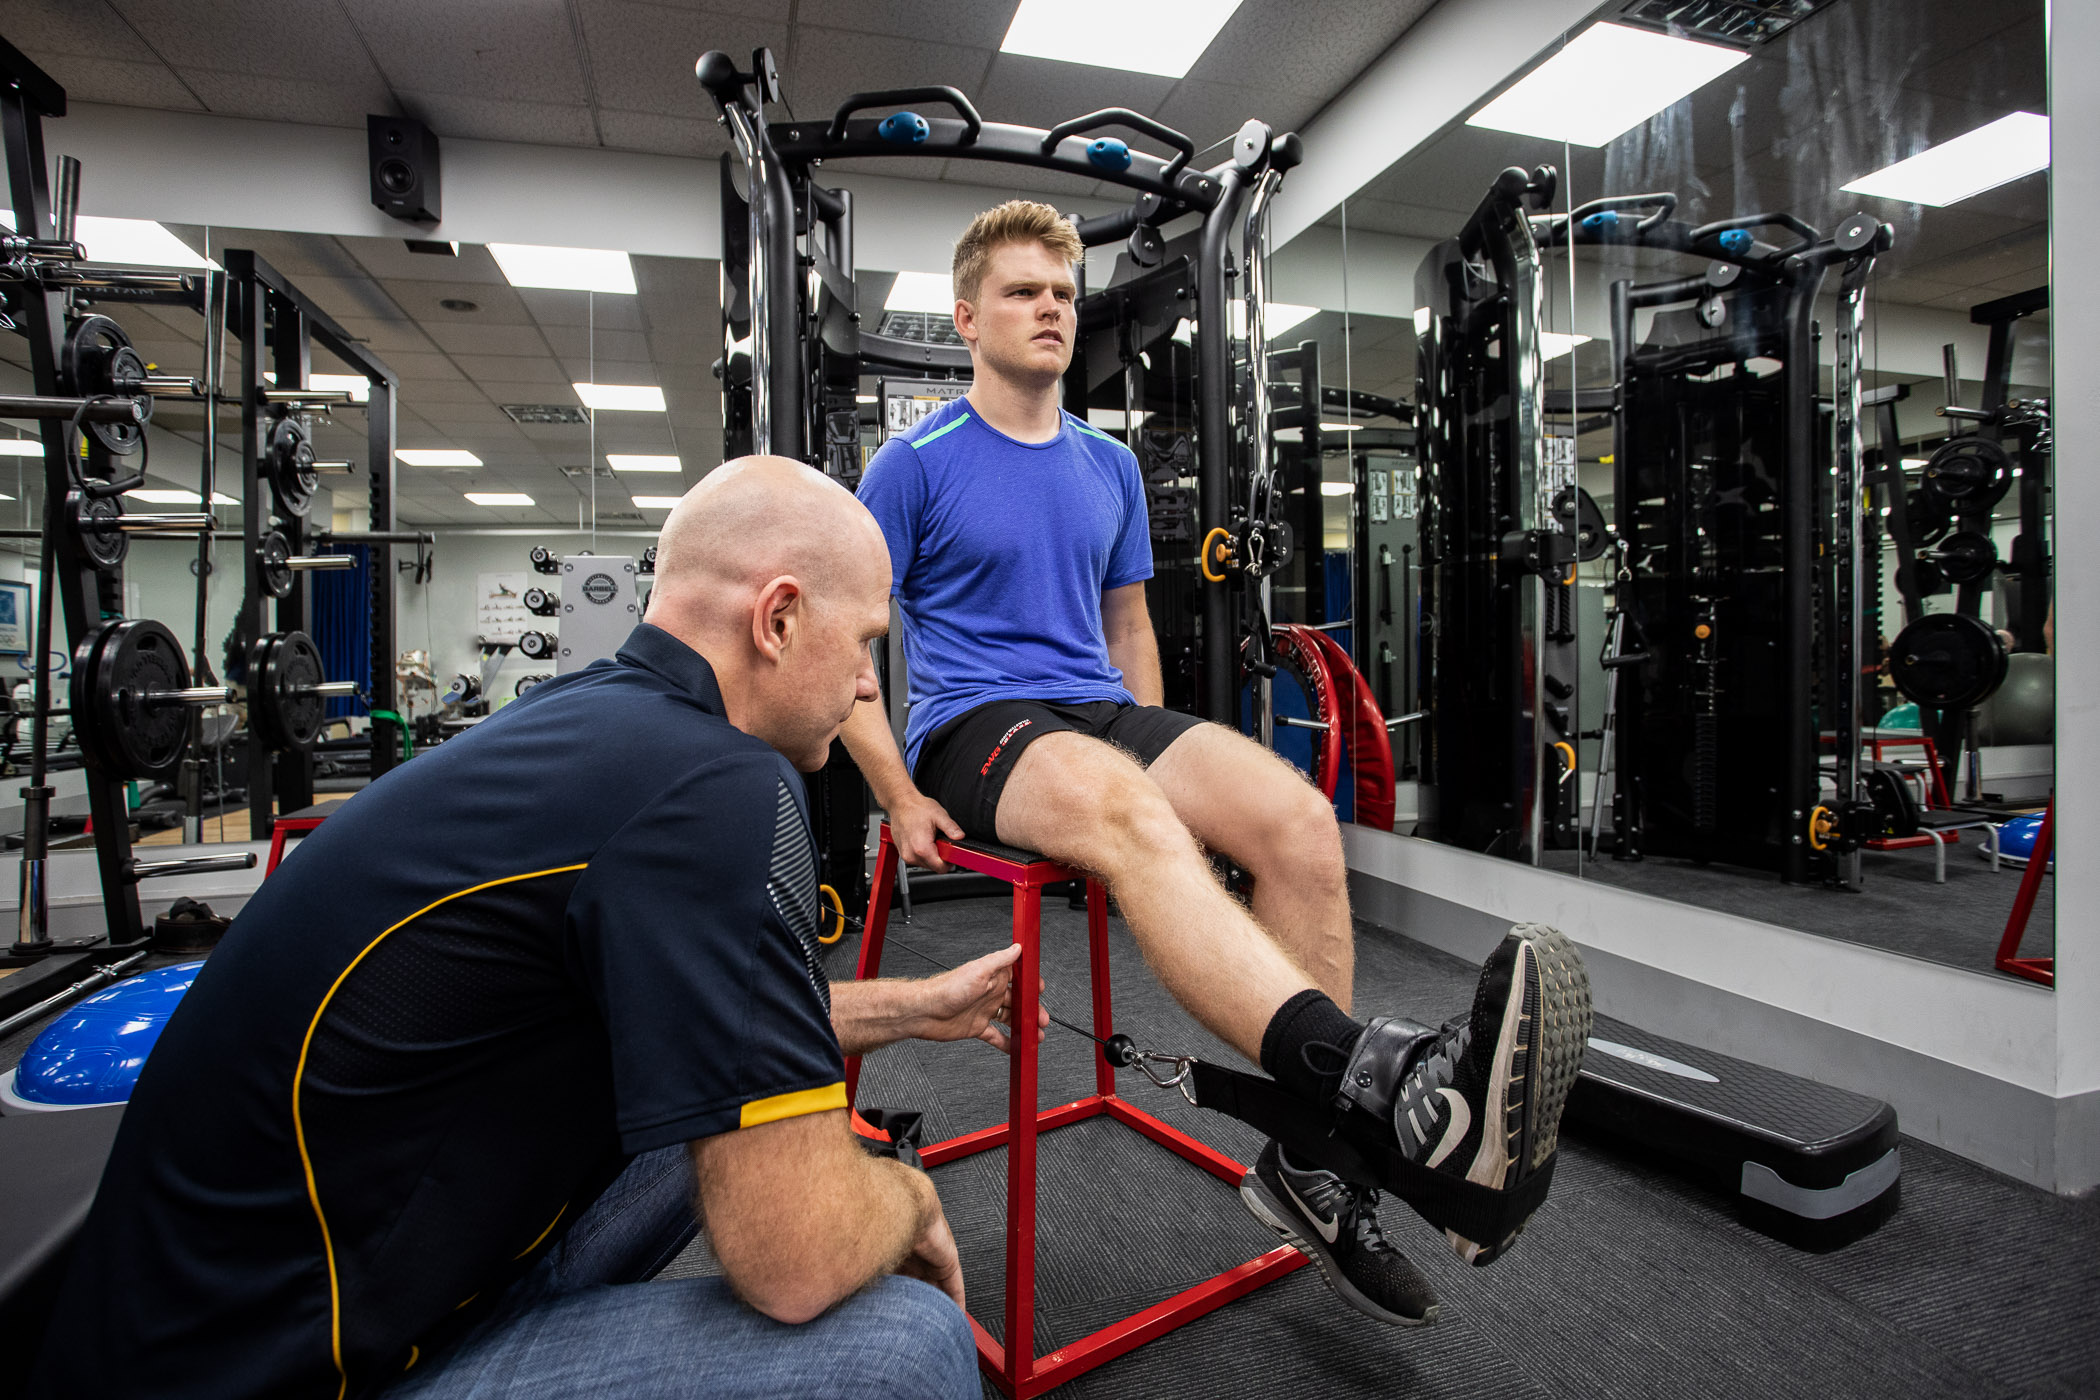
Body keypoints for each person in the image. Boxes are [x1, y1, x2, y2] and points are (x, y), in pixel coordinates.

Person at [30, 459, 1013, 1400]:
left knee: (704, 1119)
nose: (869, 684)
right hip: (292, 1371)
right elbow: (794, 1263)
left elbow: (719, 1010)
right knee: (907, 1342)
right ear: (781, 617)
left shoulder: (602, 727)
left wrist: (916, 1005)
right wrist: (907, 1199)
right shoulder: (721, 788)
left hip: (249, 1298)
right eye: (865, 641)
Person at [845, 200, 1593, 1329]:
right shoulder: (913, 464)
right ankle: (1382, 1086)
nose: (1051, 308)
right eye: (1022, 291)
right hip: (971, 725)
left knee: (1293, 817)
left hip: (1096, 708)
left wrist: (1150, 744)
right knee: (1131, 815)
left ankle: (1309, 1164)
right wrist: (895, 794)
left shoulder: (1108, 465)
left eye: (1062, 292)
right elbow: (840, 650)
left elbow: (1128, 621)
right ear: (966, 316)